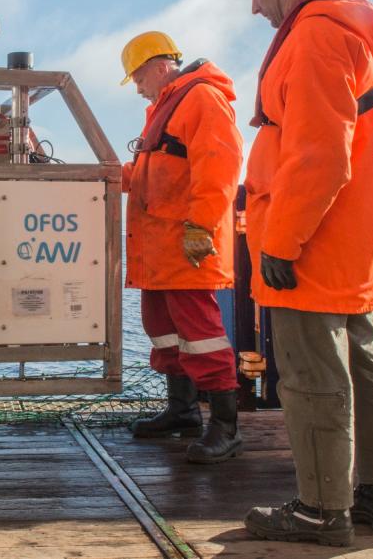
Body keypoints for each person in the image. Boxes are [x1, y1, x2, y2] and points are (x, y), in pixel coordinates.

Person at [235, 0, 373, 546]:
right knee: (365, 365)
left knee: (311, 378)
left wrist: (280, 242)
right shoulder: (358, 34)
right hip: (353, 239)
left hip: (308, 243)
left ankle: (320, 510)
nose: (253, 5)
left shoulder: (313, 38)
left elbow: (317, 156)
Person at [119, 31, 244, 464]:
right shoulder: (165, 109)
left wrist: (201, 227)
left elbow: (220, 165)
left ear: (159, 66)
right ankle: (183, 411)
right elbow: (148, 174)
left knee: (202, 335)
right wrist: (101, 175)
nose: (136, 87)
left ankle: (226, 428)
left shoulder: (202, 98)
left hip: (185, 245)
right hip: (159, 250)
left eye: (136, 77)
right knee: (165, 332)